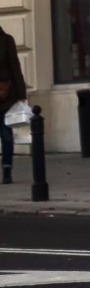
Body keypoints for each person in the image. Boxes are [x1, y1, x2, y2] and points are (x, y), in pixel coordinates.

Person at [0, 25, 26, 184]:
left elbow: (15, 67)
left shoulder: (6, 40)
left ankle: (7, 169)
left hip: (5, 95)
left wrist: (21, 94)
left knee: (6, 136)